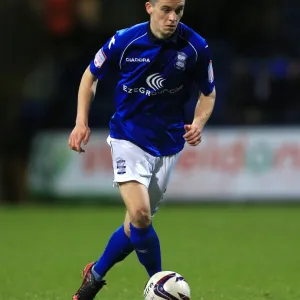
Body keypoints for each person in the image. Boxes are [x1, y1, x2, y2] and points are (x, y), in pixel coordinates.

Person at [68, 0, 216, 299]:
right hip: (128, 138)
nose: (172, 17)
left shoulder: (195, 46)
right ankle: (160, 285)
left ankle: (95, 275)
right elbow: (89, 77)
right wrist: (81, 122)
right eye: (166, 10)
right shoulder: (124, 40)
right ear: (149, 7)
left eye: (179, 10)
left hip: (168, 145)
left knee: (132, 228)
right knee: (139, 213)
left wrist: (198, 122)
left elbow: (208, 93)